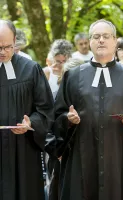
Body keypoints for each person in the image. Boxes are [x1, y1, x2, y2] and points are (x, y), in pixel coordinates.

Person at [53, 19, 123, 200]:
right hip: (82, 155)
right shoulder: (73, 76)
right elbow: (57, 114)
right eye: (96, 37)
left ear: (115, 41)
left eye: (106, 36)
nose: (101, 40)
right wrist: (68, 120)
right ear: (90, 42)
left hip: (118, 156)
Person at [0, 19, 54, 200]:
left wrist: (31, 123)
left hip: (24, 150)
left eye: (7, 47)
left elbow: (46, 109)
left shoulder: (31, 69)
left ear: (15, 40)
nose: (3, 52)